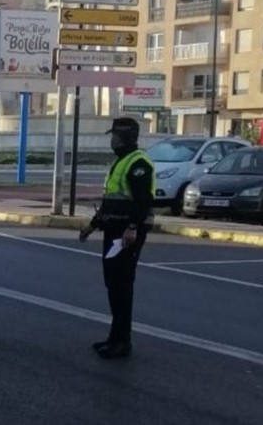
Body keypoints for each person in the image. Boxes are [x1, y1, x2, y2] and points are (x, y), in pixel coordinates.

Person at [79, 116, 155, 359]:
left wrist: (132, 227)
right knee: (113, 286)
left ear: (126, 138)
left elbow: (143, 201)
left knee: (121, 287)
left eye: (115, 137)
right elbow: (112, 202)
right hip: (114, 232)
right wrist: (92, 225)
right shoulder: (121, 162)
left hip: (127, 235)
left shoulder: (138, 163)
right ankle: (114, 337)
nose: (112, 141)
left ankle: (123, 341)